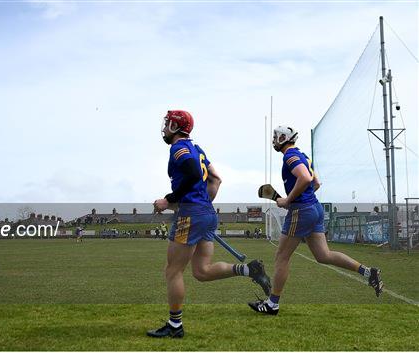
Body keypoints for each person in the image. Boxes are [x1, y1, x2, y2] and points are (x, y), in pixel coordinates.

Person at [147, 110, 271, 338]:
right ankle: (247, 269)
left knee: (172, 271)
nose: (164, 128)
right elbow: (215, 179)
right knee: (201, 272)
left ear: (175, 127)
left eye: (167, 124)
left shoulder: (179, 148)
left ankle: (175, 326)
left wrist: (169, 199)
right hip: (206, 213)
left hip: (191, 215)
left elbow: (194, 173)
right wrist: (203, 203)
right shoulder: (198, 148)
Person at [248, 126, 384, 316]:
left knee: (281, 257)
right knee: (323, 255)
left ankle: (272, 304)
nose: (273, 140)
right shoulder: (304, 156)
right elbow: (315, 183)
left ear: (282, 138)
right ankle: (368, 272)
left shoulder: (290, 156)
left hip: (302, 211)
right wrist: (298, 198)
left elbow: (304, 177)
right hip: (314, 208)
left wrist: (289, 200)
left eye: (275, 137)